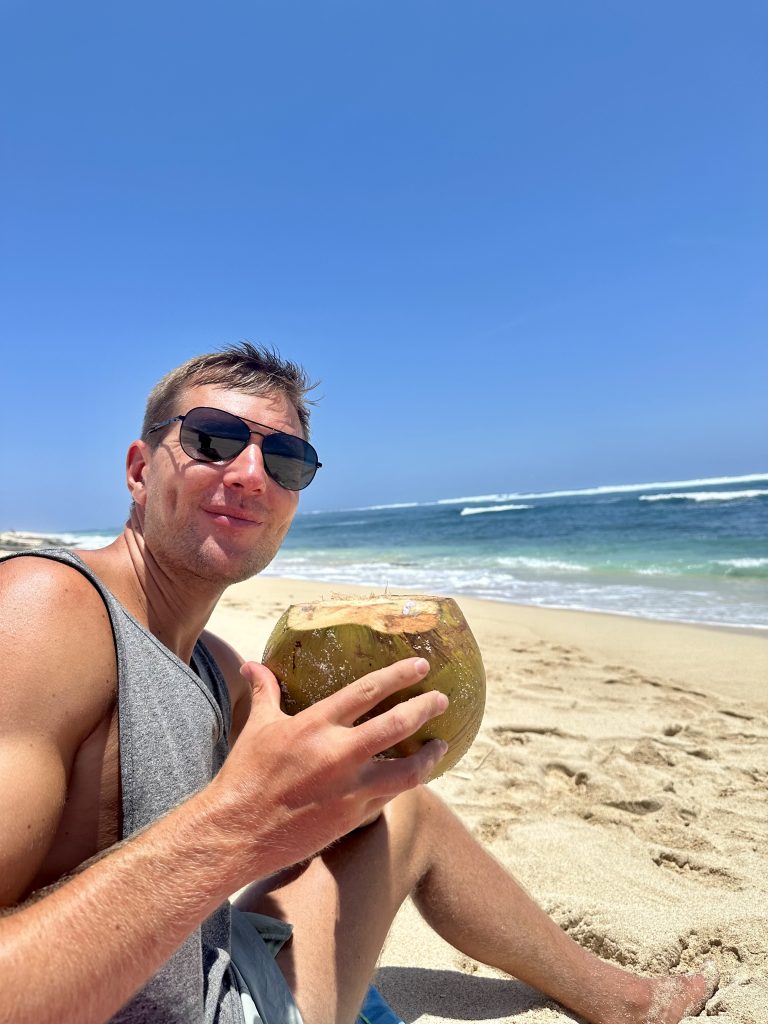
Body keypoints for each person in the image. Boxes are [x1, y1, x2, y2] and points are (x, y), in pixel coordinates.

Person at [0, 343, 717, 1024]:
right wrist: (235, 825)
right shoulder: (44, 611)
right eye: (213, 439)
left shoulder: (215, 666)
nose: (251, 474)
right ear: (138, 470)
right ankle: (627, 1004)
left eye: (285, 459)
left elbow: (325, 794)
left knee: (397, 806)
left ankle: (615, 999)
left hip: (201, 963)